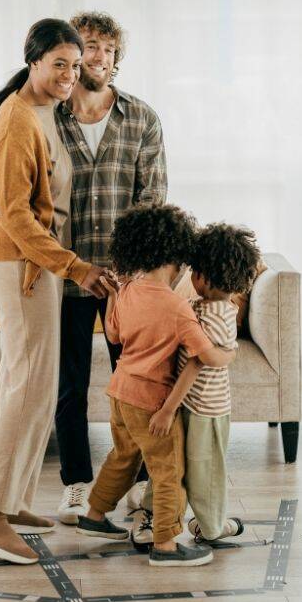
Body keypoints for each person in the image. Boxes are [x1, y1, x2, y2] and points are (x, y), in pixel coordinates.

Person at [0, 11, 168, 525]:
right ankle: (75, 485)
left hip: (123, 276)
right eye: (86, 48)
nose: (95, 58)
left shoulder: (141, 118)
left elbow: (153, 200)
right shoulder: (44, 110)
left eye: (107, 49)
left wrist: (144, 274)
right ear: (53, 58)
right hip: (61, 272)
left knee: (136, 382)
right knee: (64, 386)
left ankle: (139, 483)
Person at [0, 18, 112, 565]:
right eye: (60, 65)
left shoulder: (43, 110)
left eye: (76, 64)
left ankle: (13, 500)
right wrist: (75, 267)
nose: (71, 74)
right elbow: (20, 215)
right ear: (34, 62)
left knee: (32, 386)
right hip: (23, 262)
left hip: (33, 262)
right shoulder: (21, 117)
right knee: (27, 387)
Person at [75, 204, 235, 567]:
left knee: (122, 457)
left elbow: (114, 335)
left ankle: (94, 515)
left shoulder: (129, 289)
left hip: (119, 391)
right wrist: (229, 354)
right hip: (149, 399)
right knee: (168, 469)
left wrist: (115, 295)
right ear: (175, 256)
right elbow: (206, 355)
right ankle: (165, 544)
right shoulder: (177, 306)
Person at [130, 223, 262, 549]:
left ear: (201, 277)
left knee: (203, 475)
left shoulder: (218, 315)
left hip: (204, 412)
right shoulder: (203, 307)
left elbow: (194, 365)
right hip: (191, 406)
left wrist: (167, 408)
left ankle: (212, 526)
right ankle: (156, 514)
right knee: (168, 464)